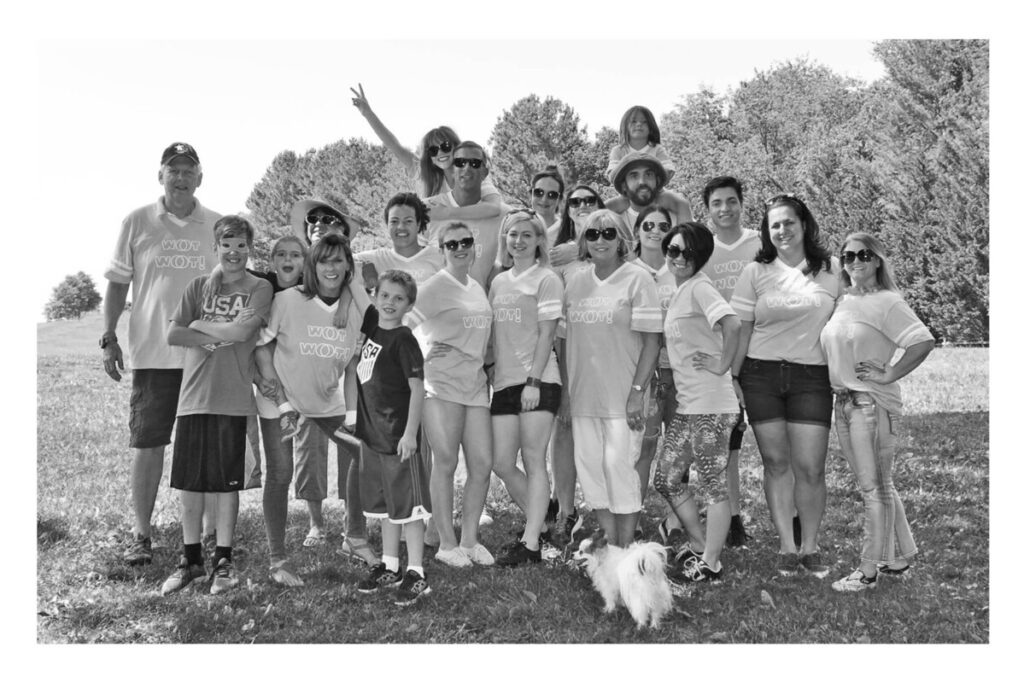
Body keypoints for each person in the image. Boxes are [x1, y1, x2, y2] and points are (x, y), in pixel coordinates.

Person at [103, 142, 221, 566]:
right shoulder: (137, 222)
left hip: (204, 355)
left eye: (189, 170)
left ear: (200, 178)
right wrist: (108, 336)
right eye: (174, 170)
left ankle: (209, 536)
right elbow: (118, 285)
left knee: (203, 446)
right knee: (148, 445)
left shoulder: (217, 225)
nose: (181, 176)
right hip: (153, 355)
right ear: (161, 176)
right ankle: (142, 535)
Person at [160, 215, 273, 595]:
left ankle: (223, 561)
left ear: (249, 248)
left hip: (234, 398)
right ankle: (190, 560)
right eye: (227, 244)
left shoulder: (259, 287)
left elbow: (243, 332)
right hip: (193, 398)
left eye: (242, 245)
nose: (235, 252)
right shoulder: (197, 286)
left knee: (227, 485)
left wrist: (201, 329)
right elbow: (173, 332)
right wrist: (198, 331)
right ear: (216, 247)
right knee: (190, 484)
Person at [730, 193, 842, 578]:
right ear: (767, 231)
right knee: (776, 464)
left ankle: (811, 546)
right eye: (774, 225)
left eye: (788, 222)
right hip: (760, 375)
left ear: (804, 224)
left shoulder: (831, 271)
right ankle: (787, 548)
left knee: (810, 467)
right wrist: (733, 376)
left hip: (812, 376)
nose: (782, 231)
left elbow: (851, 323)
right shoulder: (755, 272)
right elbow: (742, 327)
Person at [254, 234, 373, 579]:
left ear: (349, 266)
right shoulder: (289, 300)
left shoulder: (353, 312)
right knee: (280, 473)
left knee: (362, 451)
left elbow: (353, 364)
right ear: (312, 266)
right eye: (324, 261)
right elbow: (261, 346)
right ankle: (277, 560)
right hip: (281, 400)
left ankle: (354, 537)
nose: (331, 268)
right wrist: (278, 395)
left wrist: (351, 416)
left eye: (339, 261)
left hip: (325, 400)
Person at [821, 233, 934, 592]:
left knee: (874, 489)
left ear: (878, 260)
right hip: (844, 401)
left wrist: (891, 372)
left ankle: (868, 571)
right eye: (848, 255)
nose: (855, 261)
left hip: (871, 403)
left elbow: (923, 340)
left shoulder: (888, 301)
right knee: (879, 486)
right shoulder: (846, 300)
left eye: (864, 254)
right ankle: (898, 557)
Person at [283, 197, 376, 563]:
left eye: (328, 218)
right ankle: (316, 522)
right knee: (309, 449)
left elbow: (366, 304)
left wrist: (341, 303)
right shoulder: (297, 266)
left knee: (353, 448)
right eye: (313, 219)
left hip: (347, 373)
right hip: (306, 376)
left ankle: (353, 523)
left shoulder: (359, 267)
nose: (319, 223)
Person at [562, 209, 661, 547]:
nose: (600, 240)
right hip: (582, 395)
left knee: (621, 470)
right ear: (583, 242)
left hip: (623, 396)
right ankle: (609, 536)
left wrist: (637, 392)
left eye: (608, 233)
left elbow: (652, 341)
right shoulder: (574, 281)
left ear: (621, 240)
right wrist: (565, 394)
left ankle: (625, 543)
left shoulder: (638, 278)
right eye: (592, 234)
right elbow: (564, 340)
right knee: (590, 469)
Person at [655, 222, 741, 584]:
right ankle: (701, 543)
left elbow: (733, 324)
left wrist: (724, 365)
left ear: (701, 256)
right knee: (666, 477)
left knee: (712, 483)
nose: (678, 258)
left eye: (687, 253)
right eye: (672, 250)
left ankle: (712, 563)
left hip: (711, 405)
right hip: (690, 404)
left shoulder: (700, 288)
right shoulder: (681, 290)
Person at [406, 222, 495, 567]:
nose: (460, 248)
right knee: (445, 461)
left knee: (483, 463)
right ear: (441, 251)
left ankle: (469, 540)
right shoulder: (433, 287)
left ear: (474, 247)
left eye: (466, 242)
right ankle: (445, 543)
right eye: (451, 243)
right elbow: (402, 327)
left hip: (474, 385)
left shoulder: (476, 286)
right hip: (440, 384)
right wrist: (424, 356)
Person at [353, 270, 433, 605]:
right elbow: (357, 283)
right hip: (374, 437)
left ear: (409, 305)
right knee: (386, 507)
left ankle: (417, 572)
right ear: (375, 296)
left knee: (409, 508)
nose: (390, 303)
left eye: (398, 298)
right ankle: (390, 565)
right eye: (384, 295)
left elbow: (417, 388)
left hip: (400, 437)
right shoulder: (372, 327)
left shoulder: (404, 339)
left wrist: (411, 434)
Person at [488, 211, 564, 566]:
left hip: (538, 380)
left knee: (533, 459)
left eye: (526, 235)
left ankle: (531, 541)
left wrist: (533, 380)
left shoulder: (546, 278)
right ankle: (542, 520)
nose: (518, 240)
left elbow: (548, 333)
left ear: (538, 241)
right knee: (502, 462)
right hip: (503, 382)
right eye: (512, 235)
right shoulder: (499, 282)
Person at [701, 176, 762, 548]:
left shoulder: (759, 243)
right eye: (717, 203)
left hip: (761, 352)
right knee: (727, 445)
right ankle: (733, 517)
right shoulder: (701, 248)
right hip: (720, 358)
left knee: (774, 445)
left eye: (731, 201)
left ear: (742, 203)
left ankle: (794, 518)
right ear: (707, 210)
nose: (725, 209)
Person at [544, 184, 605, 543]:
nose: (582, 206)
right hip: (566, 350)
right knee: (563, 428)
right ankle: (566, 510)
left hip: (606, 356)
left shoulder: (616, 252)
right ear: (567, 211)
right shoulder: (559, 256)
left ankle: (605, 507)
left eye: (590, 201)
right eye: (576, 202)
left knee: (603, 433)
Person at [349, 83, 500, 221]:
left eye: (446, 146)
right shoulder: (428, 175)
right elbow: (395, 146)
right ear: (430, 157)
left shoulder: (473, 172)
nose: (440, 153)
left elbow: (494, 208)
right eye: (433, 150)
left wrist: (447, 213)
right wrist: (367, 113)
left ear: (457, 147)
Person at [630, 206, 679, 518]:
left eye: (663, 225)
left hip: (678, 372)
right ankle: (632, 514)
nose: (655, 230)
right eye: (648, 224)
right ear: (637, 230)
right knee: (642, 448)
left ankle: (674, 521)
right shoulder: (626, 272)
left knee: (677, 450)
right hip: (642, 372)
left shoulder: (681, 270)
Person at [423, 141, 506, 287]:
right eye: (460, 162)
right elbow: (407, 258)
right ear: (452, 169)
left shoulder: (503, 215)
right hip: (434, 306)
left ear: (484, 172)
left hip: (480, 306)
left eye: (475, 163)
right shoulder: (428, 209)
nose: (466, 168)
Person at [604, 107, 689, 222]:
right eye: (634, 121)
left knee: (680, 202)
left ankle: (686, 234)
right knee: (603, 207)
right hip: (627, 194)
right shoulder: (619, 150)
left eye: (644, 122)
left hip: (658, 193)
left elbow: (668, 170)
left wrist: (654, 184)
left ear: (651, 128)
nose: (639, 124)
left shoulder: (657, 148)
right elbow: (611, 175)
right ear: (625, 126)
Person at [355, 192, 444, 289]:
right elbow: (340, 255)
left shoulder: (440, 257)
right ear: (387, 225)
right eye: (394, 221)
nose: (401, 227)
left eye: (408, 221)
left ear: (418, 224)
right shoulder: (375, 259)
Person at [607, 151, 692, 249]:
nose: (642, 182)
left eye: (648, 175)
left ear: (657, 181)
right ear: (624, 185)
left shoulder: (678, 216)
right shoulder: (613, 221)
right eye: (634, 176)